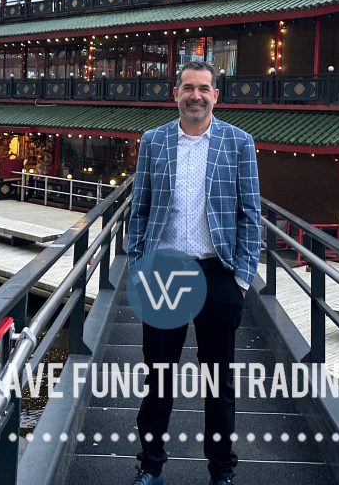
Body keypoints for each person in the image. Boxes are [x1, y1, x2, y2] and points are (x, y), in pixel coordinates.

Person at [125, 60, 262, 485]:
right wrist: (136, 266)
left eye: (204, 88)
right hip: (164, 270)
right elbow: (140, 207)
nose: (196, 96)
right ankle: (150, 466)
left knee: (218, 380)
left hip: (217, 270)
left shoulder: (238, 143)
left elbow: (250, 214)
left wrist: (242, 279)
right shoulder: (154, 141)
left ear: (215, 95)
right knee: (159, 376)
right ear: (176, 93)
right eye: (188, 88)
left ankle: (222, 470)